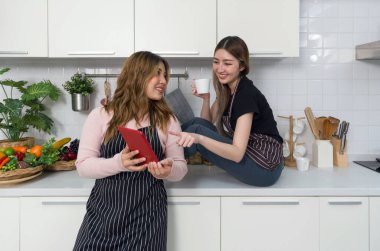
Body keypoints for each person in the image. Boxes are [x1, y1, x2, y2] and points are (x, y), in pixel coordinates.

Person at [73, 51, 188, 251]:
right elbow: (83, 166)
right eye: (157, 74)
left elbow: (180, 167)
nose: (163, 81)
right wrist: (119, 163)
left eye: (165, 76)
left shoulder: (168, 120)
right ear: (137, 75)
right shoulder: (101, 116)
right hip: (103, 217)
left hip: (147, 219)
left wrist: (168, 171)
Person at [171, 36, 283, 187]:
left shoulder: (246, 94)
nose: (220, 68)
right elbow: (206, 123)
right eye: (216, 62)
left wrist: (199, 139)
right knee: (197, 123)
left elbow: (236, 154)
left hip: (264, 167)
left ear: (241, 66)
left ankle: (162, 162)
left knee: (197, 131)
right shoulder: (228, 89)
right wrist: (206, 99)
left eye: (227, 63)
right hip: (250, 155)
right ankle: (163, 150)